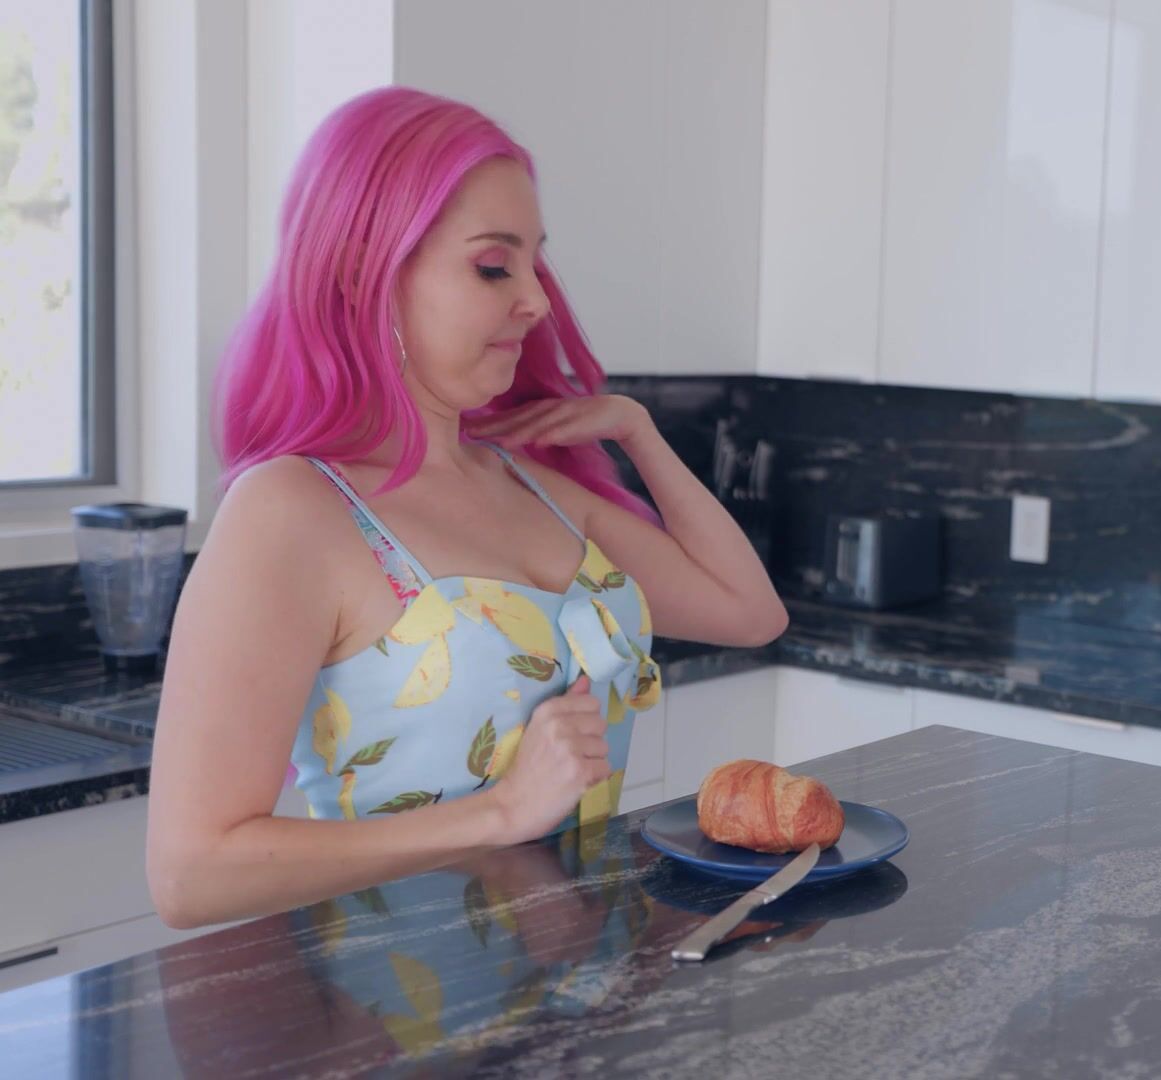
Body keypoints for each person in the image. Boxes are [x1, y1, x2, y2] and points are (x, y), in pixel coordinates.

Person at [144, 86, 787, 930]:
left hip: (587, 986)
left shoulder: (529, 484)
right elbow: (191, 874)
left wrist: (639, 433)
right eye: (493, 266)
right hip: (402, 996)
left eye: (534, 266)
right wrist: (498, 812)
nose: (537, 300)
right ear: (364, 275)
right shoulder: (293, 510)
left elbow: (750, 614)